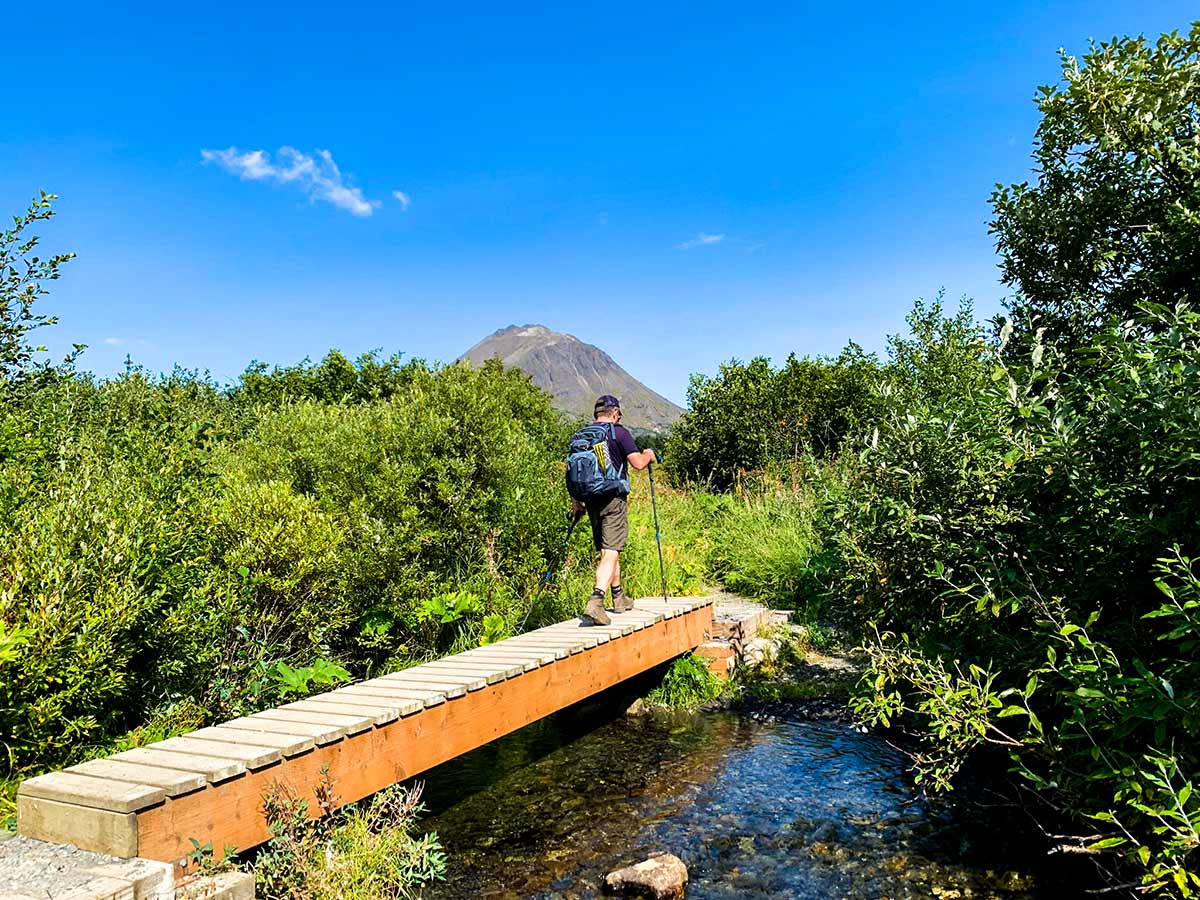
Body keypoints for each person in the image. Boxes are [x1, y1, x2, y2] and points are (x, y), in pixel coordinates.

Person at [571, 395, 658, 626]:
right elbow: (638, 463)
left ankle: (619, 597)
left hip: (590, 499)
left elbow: (572, 471)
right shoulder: (619, 432)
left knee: (608, 549)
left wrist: (576, 503)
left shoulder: (582, 436)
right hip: (613, 498)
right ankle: (596, 601)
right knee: (611, 551)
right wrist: (649, 454)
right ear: (615, 412)